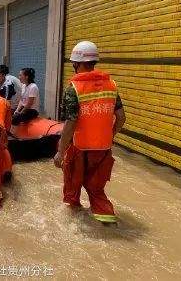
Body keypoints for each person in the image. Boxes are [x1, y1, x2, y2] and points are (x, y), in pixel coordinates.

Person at [53, 41, 126, 224]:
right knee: (96, 190)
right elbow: (122, 117)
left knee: (72, 190)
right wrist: (110, 135)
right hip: (103, 149)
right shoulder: (111, 85)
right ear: (94, 61)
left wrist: (60, 152)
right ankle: (108, 223)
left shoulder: (74, 89)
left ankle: (75, 226)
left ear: (76, 63)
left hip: (79, 148)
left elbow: (70, 123)